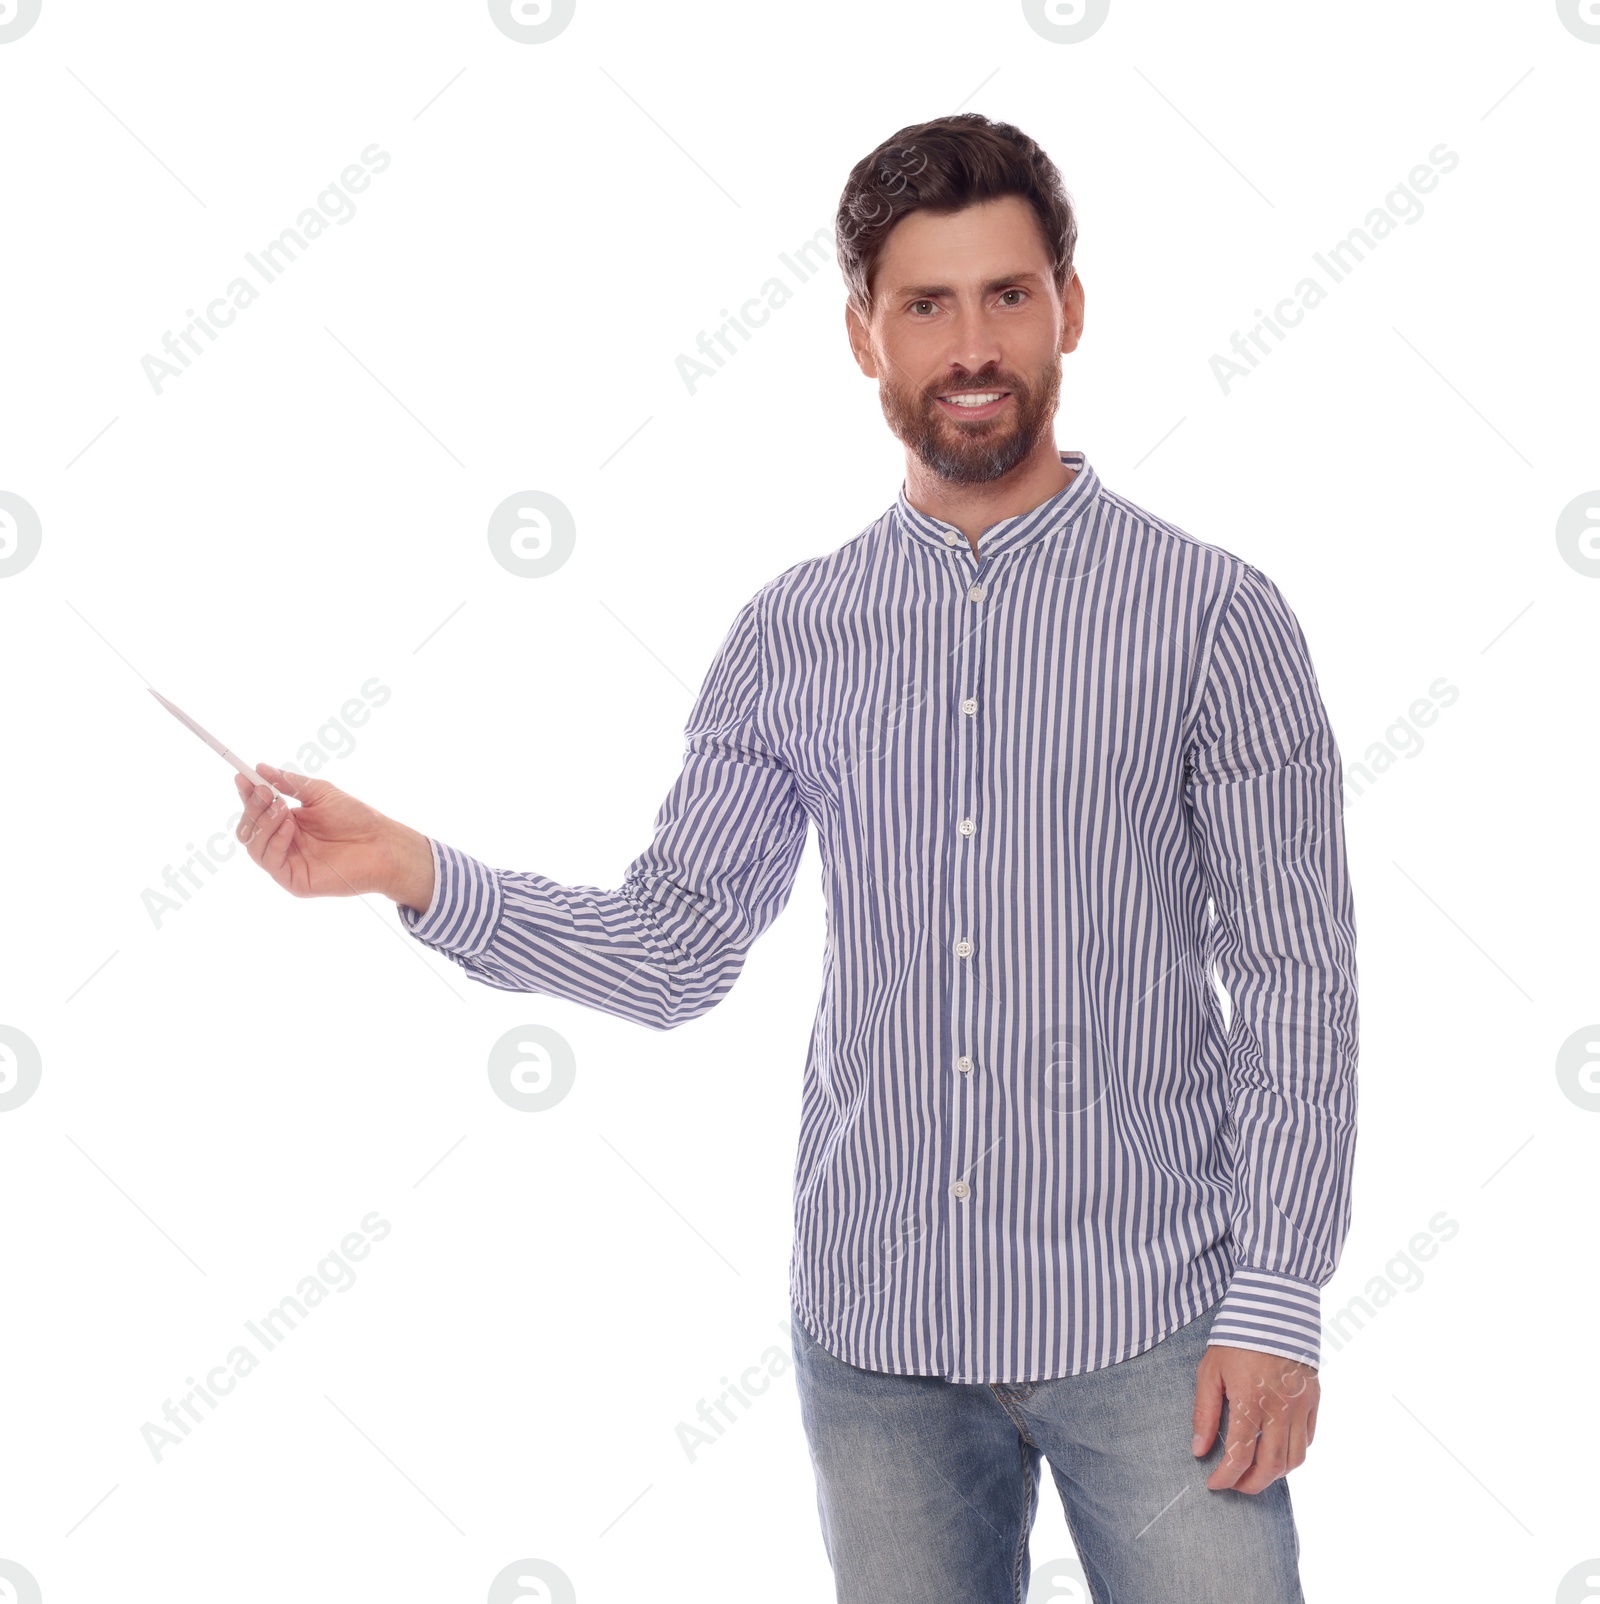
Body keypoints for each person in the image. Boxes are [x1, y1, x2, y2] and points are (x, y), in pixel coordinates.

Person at [231, 112, 1357, 1604]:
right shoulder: (793, 634)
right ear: (863, 337)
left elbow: (1298, 981)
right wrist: (412, 871)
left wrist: (1276, 1297)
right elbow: (681, 942)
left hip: (1157, 1325)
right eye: (926, 304)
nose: (971, 345)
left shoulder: (1216, 617)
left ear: (1070, 309)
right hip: (875, 1343)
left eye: (1007, 296)